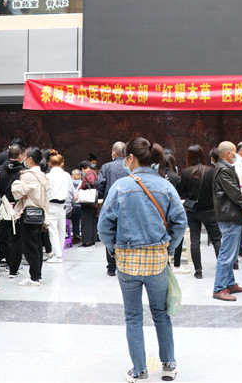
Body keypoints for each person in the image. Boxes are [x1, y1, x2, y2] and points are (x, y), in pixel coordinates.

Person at [97, 137, 187, 383]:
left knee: (133, 316)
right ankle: (168, 365)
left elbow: (103, 226)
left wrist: (114, 248)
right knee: (161, 313)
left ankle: (139, 370)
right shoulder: (165, 186)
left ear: (130, 158)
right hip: (156, 260)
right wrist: (169, 247)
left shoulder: (120, 186)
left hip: (127, 261)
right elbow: (180, 222)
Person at [212, 141, 242, 301]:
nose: (237, 155)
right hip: (228, 216)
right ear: (229, 153)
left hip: (230, 214)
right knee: (227, 254)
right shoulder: (223, 169)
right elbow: (235, 193)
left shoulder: (224, 167)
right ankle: (219, 288)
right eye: (234, 152)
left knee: (231, 253)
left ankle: (229, 283)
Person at [177, 144, 221, 279]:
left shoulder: (185, 172)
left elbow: (181, 191)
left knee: (195, 240)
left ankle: (198, 270)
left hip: (193, 210)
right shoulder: (211, 171)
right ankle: (222, 268)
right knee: (217, 240)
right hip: (210, 210)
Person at [11, 147, 50, 286]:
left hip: (28, 213)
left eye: (25, 156)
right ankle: (37, 275)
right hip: (39, 212)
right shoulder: (43, 175)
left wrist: (17, 183)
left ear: (31, 159)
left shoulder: (28, 175)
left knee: (30, 247)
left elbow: (17, 191)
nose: (23, 158)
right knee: (37, 246)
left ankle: (34, 278)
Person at [0, 143, 25, 277]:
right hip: (18, 208)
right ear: (20, 156)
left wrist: (2, 201)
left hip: (1, 208)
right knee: (16, 239)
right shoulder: (24, 172)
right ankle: (13, 269)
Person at [97, 142, 128, 274]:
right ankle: (125, 264)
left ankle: (111, 267)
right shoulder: (129, 166)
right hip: (128, 206)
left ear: (114, 153)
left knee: (110, 233)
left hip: (110, 205)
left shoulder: (106, 167)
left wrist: (106, 194)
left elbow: (100, 184)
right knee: (126, 233)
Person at [46, 150, 73, 263]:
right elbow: (70, 191)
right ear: (62, 163)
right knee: (62, 230)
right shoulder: (66, 175)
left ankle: (57, 255)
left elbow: (45, 191)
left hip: (51, 204)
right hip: (63, 204)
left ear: (50, 164)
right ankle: (59, 253)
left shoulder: (48, 176)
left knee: (53, 231)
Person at [79, 160, 99, 248]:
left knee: (86, 221)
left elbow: (91, 182)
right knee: (91, 221)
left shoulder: (89, 173)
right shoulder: (93, 172)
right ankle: (92, 239)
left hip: (88, 202)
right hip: (92, 202)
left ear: (82, 168)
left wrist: (82, 186)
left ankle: (87, 241)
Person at [69, 169, 83, 243]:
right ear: (72, 177)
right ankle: (75, 234)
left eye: (78, 179)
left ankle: (76, 235)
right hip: (70, 204)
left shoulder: (82, 183)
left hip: (79, 204)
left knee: (76, 212)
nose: (77, 180)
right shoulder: (68, 184)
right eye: (75, 178)